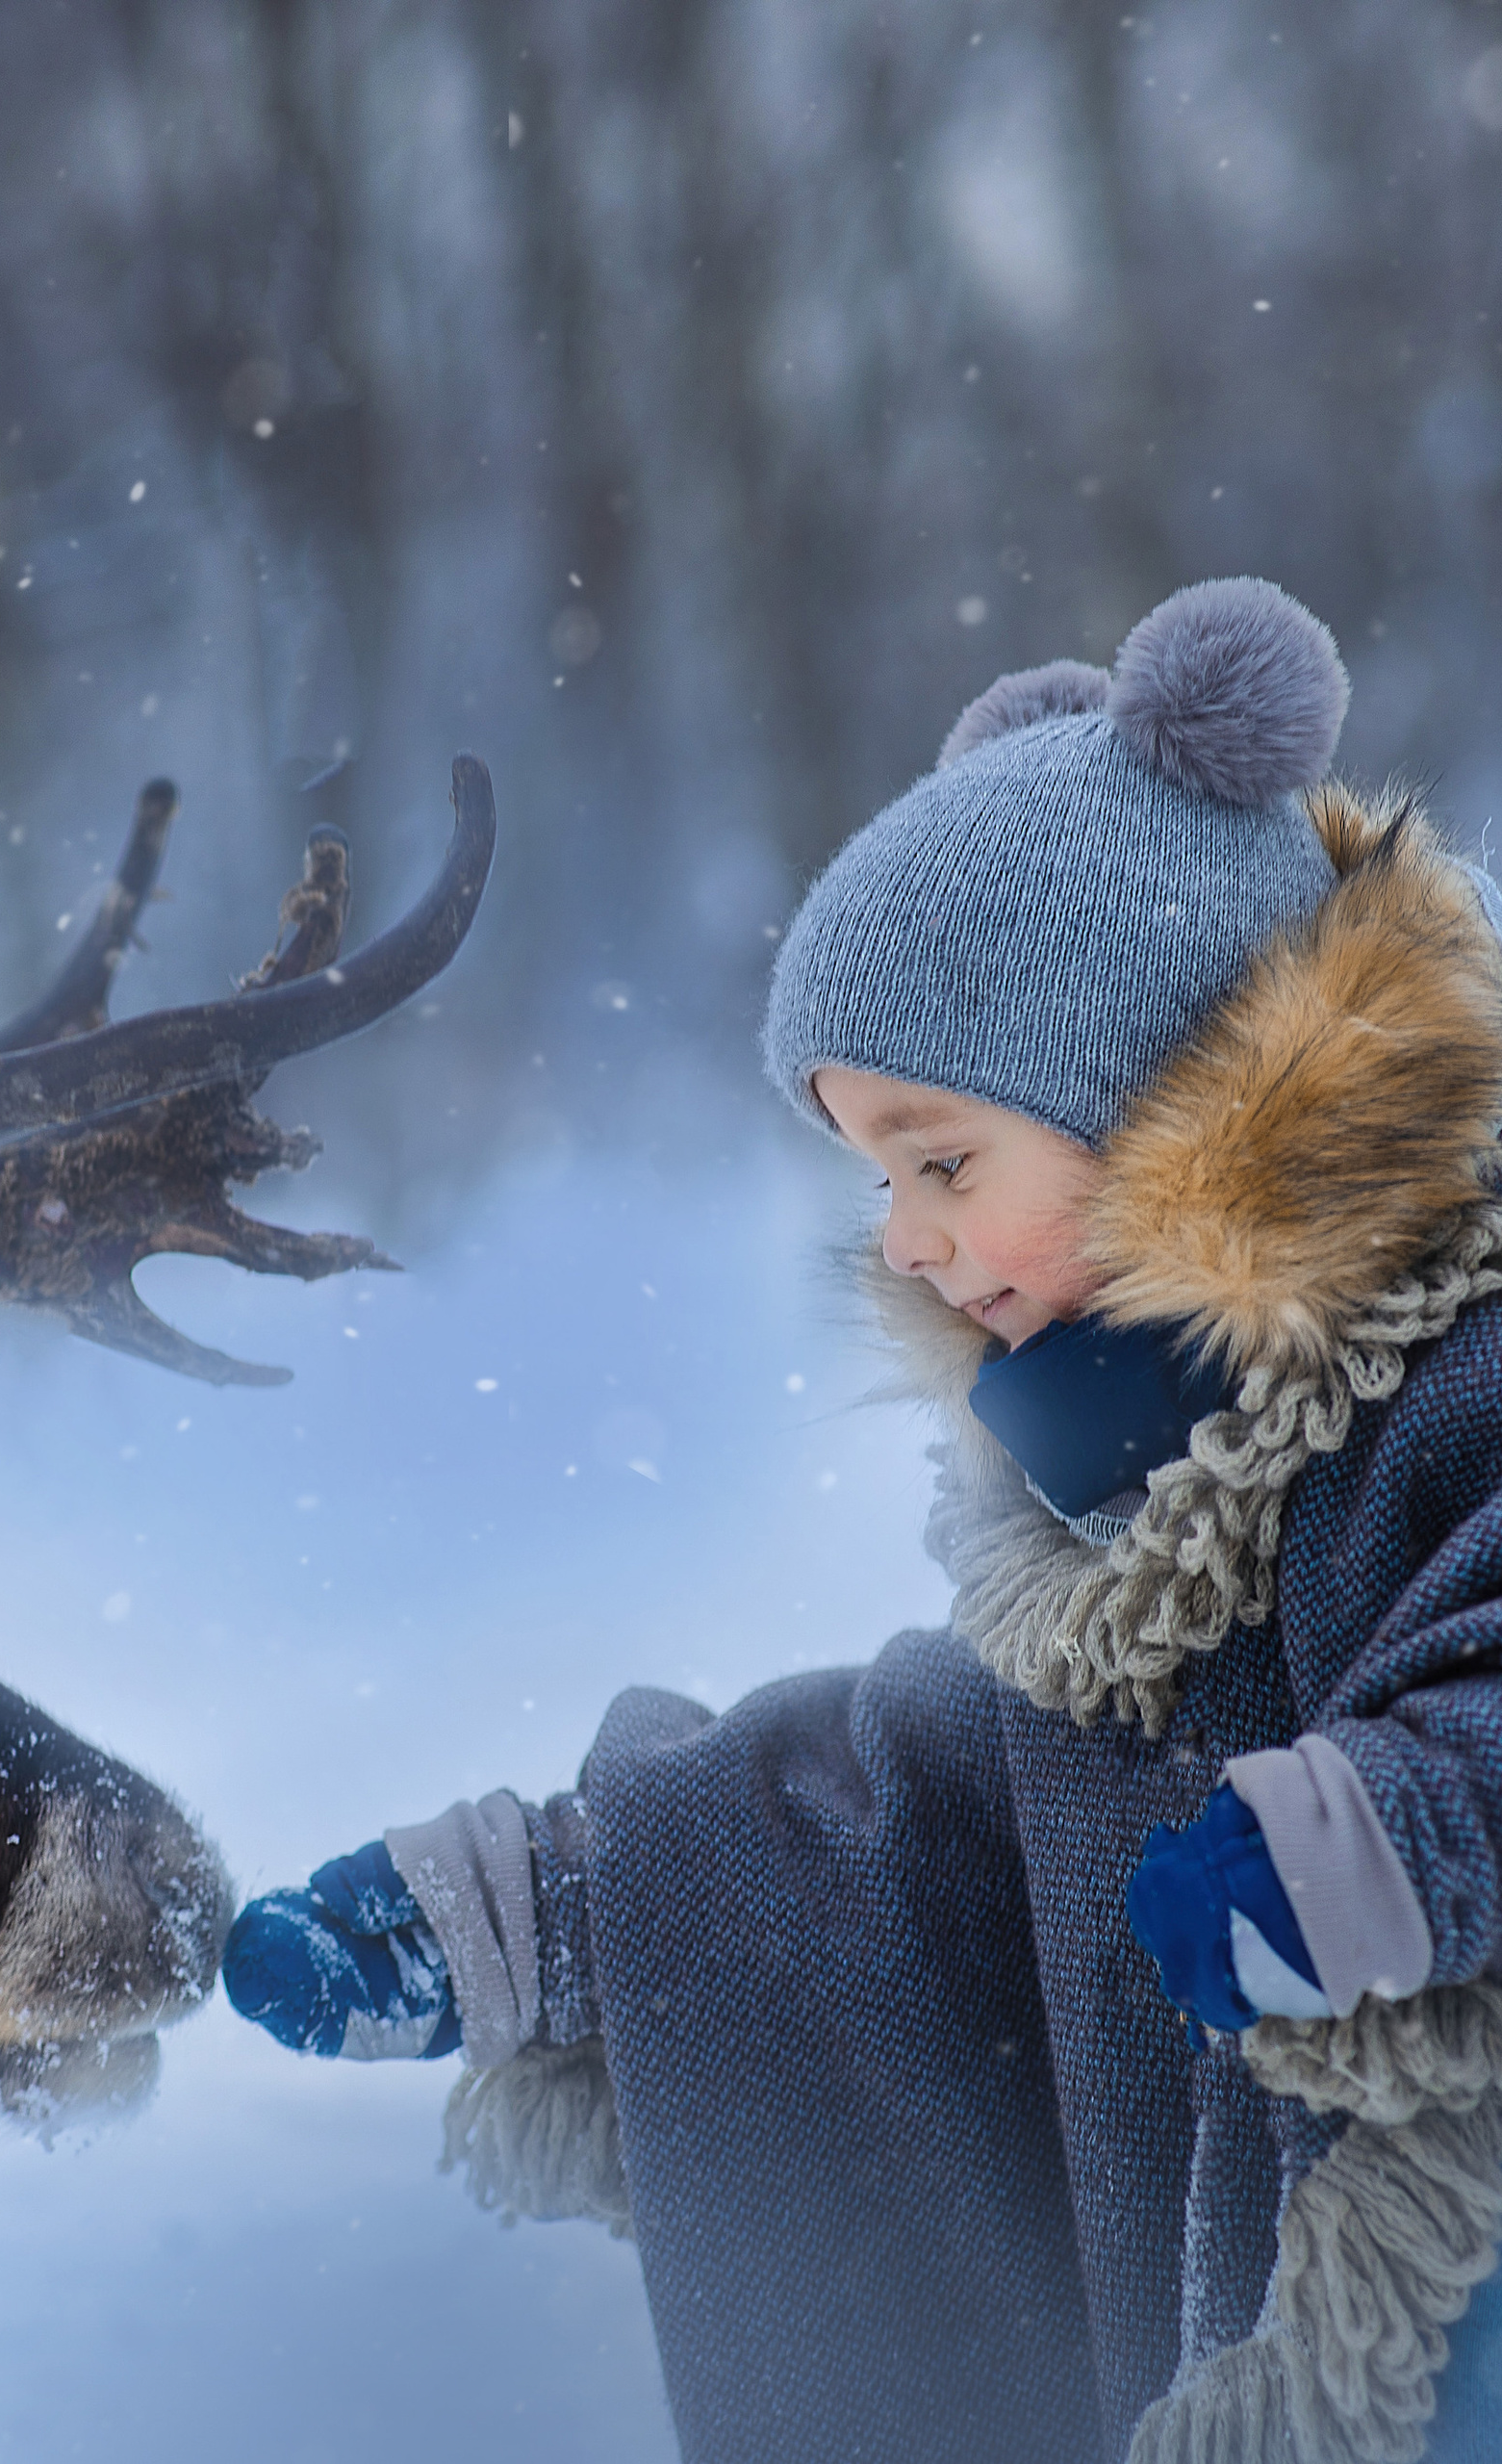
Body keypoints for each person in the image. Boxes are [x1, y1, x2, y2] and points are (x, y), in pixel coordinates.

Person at [223, 578, 1502, 2463]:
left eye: (938, 1157)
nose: (898, 1233)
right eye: (872, 1172)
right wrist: (546, 1912)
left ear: (1181, 1100)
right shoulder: (1136, 1499)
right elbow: (939, 1820)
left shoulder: (1452, 1373)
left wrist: (1382, 1833)